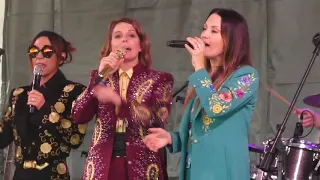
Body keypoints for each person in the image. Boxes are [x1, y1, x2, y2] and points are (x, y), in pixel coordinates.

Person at [143, 8, 259, 180]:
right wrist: (171, 138)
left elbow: (216, 107)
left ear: (233, 39)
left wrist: (199, 66)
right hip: (195, 171)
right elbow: (198, 131)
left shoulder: (245, 76)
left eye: (214, 31)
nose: (204, 35)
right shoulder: (203, 79)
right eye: (204, 28)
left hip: (222, 172)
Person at [71, 17, 174, 180]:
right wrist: (100, 76)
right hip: (103, 165)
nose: (124, 39)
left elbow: (158, 119)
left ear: (140, 46)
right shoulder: (100, 77)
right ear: (111, 46)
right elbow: (78, 115)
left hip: (142, 163)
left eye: (131, 35)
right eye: (117, 36)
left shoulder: (159, 79)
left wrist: (120, 103)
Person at [0, 31, 88, 180]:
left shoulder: (74, 91)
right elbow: (3, 138)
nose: (39, 56)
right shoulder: (19, 94)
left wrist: (45, 108)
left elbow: (74, 139)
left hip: (52, 175)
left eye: (47, 51)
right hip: (20, 175)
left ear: (61, 57)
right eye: (34, 51)